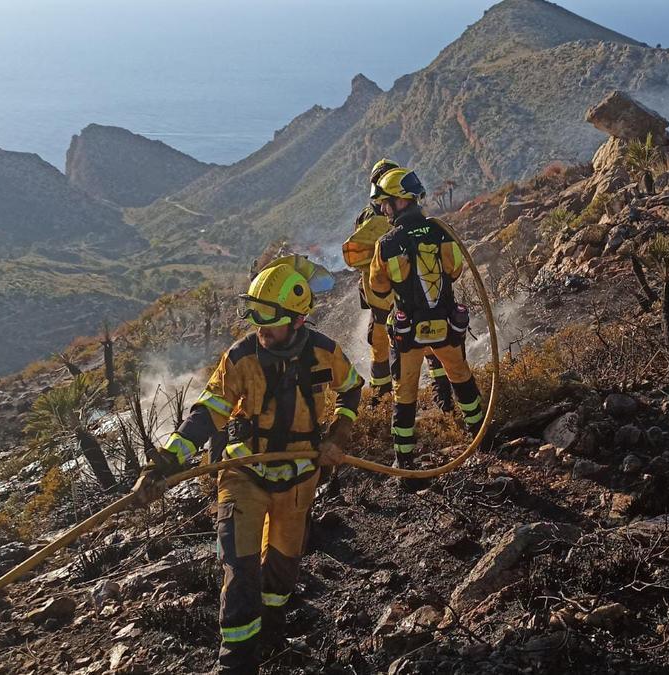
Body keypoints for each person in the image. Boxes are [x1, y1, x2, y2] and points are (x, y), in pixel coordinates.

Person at [133, 258, 363, 675]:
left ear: (298, 319)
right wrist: (163, 463)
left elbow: (352, 389)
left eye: (269, 320)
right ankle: (236, 663)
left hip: (299, 478)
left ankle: (272, 636)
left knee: (283, 565)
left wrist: (338, 434)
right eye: (255, 316)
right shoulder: (240, 358)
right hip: (245, 476)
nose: (260, 328)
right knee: (240, 568)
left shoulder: (325, 352)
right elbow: (206, 414)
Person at [368, 166, 484, 488]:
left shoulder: (387, 243)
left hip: (407, 333)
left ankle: (405, 464)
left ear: (398, 201)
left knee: (405, 394)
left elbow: (378, 287)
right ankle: (481, 438)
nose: (384, 210)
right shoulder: (441, 231)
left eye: (385, 203)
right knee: (461, 377)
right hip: (445, 324)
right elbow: (456, 270)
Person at [342, 159, 455, 411]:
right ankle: (385, 400)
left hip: (401, 295)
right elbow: (359, 255)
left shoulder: (399, 215)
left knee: (416, 343)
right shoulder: (372, 216)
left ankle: (434, 394)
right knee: (388, 346)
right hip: (394, 297)